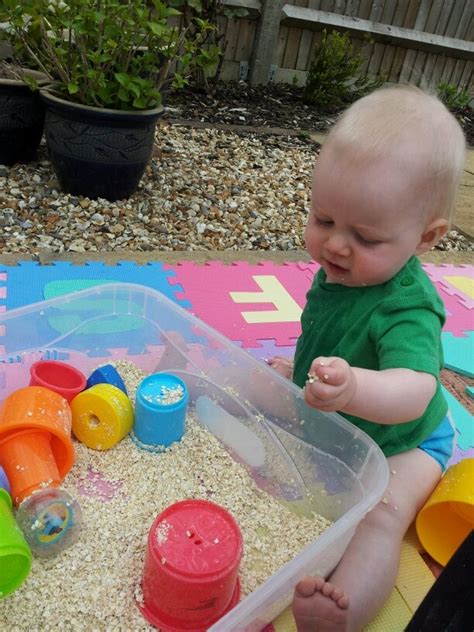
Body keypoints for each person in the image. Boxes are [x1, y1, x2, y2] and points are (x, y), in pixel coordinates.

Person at [267, 85, 466, 632]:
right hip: (340, 417)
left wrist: (352, 388)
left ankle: (344, 609)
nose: (335, 245)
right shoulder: (349, 267)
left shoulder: (408, 308)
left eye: (365, 235)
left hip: (407, 443)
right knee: (259, 387)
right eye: (324, 220)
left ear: (426, 238)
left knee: (379, 518)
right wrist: (307, 373)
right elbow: (329, 331)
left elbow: (417, 390)